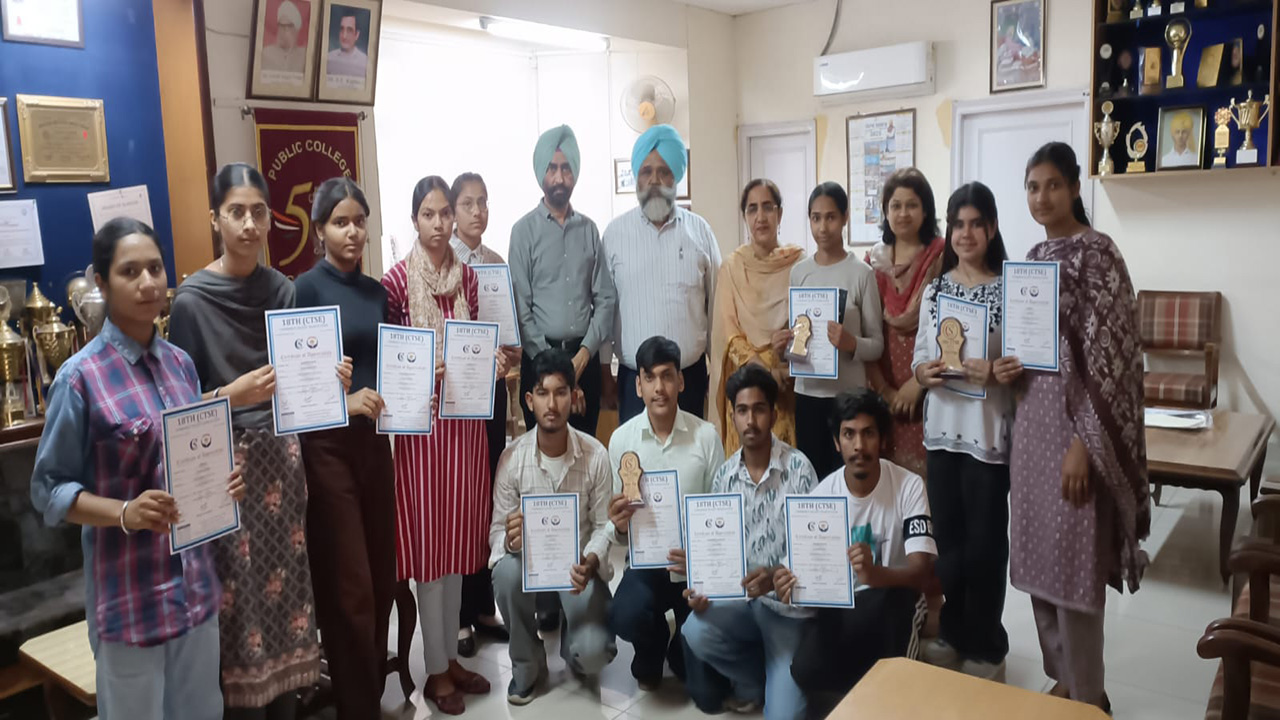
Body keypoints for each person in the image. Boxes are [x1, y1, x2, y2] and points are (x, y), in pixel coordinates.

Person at [30, 218, 245, 720]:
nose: (148, 282)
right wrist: (125, 512)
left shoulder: (180, 364)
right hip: (130, 600)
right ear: (101, 283)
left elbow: (191, 454)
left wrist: (223, 479)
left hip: (195, 591)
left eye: (155, 268)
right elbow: (48, 489)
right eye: (130, 272)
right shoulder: (79, 377)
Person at [169, 163, 345, 718]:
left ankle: (289, 706)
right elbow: (178, 410)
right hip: (227, 472)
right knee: (239, 606)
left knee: (289, 600)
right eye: (236, 212)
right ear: (215, 219)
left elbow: (300, 382)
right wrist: (232, 393)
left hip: (283, 464)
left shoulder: (282, 290)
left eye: (258, 212)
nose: (249, 224)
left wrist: (331, 379)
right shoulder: (191, 302)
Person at [997, 142, 1149, 711]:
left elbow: (1115, 359)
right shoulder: (1033, 256)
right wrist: (1008, 367)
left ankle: (1088, 698)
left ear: (1075, 187)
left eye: (1053, 185)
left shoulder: (1099, 255)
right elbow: (1030, 348)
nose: (1042, 197)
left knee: (1073, 565)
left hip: (1075, 433)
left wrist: (1085, 445)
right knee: (1038, 560)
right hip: (1032, 429)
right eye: (1032, 187)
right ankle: (1061, 677)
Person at [382, 175, 500, 715]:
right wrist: (420, 371)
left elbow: (476, 342)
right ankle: (433, 671)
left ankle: (450, 658)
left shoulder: (468, 279)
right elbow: (388, 362)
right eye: (428, 214)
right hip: (421, 436)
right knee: (430, 554)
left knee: (457, 552)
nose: (439, 223)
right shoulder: (395, 283)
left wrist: (489, 361)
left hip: (465, 431)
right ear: (414, 220)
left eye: (445, 213)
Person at [292, 178, 395, 719]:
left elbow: (388, 364)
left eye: (359, 221)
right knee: (350, 585)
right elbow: (295, 386)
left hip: (376, 446)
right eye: (340, 222)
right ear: (320, 230)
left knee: (381, 577)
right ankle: (358, 708)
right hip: (327, 449)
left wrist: (415, 384)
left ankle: (368, 693)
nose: (352, 231)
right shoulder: (304, 291)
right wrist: (346, 400)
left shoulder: (377, 292)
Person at [779, 389, 936, 719]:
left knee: (894, 626)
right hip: (845, 607)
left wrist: (876, 575)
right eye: (849, 434)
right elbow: (802, 579)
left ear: (882, 439)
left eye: (868, 434)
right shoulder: (822, 496)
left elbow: (920, 573)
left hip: (896, 598)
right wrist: (788, 585)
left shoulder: (909, 486)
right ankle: (861, 694)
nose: (859, 445)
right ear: (837, 442)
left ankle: (893, 692)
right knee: (804, 667)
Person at [910, 182, 1014, 681]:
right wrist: (923, 373)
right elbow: (919, 356)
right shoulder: (936, 291)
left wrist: (994, 371)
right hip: (942, 435)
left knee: (986, 546)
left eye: (976, 224)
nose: (966, 234)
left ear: (991, 229)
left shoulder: (1010, 289)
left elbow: (1024, 365)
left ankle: (987, 643)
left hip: (988, 436)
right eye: (958, 224)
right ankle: (953, 631)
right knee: (949, 543)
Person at [681, 365, 819, 720]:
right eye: (742, 411)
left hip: (788, 613)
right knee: (695, 630)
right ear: (733, 416)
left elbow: (814, 554)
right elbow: (716, 551)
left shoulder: (800, 469)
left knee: (784, 717)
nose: (750, 421)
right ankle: (756, 680)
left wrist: (775, 575)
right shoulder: (724, 476)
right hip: (741, 603)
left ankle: (779, 677)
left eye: (759, 409)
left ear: (773, 414)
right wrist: (702, 586)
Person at [490, 349, 617, 706]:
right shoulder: (512, 458)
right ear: (529, 400)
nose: (552, 403)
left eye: (561, 392)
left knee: (593, 656)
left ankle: (574, 643)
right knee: (506, 573)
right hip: (530, 570)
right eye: (543, 393)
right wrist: (511, 540)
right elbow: (497, 532)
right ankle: (528, 663)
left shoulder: (595, 454)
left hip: (577, 573)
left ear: (574, 397)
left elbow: (605, 527)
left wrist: (590, 561)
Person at [605, 335, 726, 697]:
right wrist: (619, 526)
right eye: (650, 377)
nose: (659, 388)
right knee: (624, 614)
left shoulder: (706, 437)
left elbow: (719, 512)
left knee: (701, 682)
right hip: (645, 567)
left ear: (681, 381)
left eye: (667, 376)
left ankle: (680, 647)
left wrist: (701, 560)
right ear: (638, 386)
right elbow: (619, 532)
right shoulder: (622, 440)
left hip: (693, 568)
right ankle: (653, 643)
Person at [601, 125, 721, 422]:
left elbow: (717, 310)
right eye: (646, 171)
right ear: (636, 177)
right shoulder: (615, 235)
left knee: (692, 451)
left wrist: (717, 372)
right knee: (635, 453)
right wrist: (604, 371)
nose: (654, 180)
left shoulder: (700, 232)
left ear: (676, 176)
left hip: (689, 380)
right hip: (634, 383)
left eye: (664, 171)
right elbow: (605, 309)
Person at [509, 124, 616, 439]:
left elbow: (605, 299)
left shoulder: (589, 230)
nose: (559, 178)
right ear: (541, 173)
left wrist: (583, 356)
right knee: (543, 456)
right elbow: (521, 309)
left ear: (575, 174)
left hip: (585, 361)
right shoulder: (523, 232)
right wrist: (557, 368)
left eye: (566, 168)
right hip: (538, 363)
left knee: (584, 453)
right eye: (552, 168)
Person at [449, 172, 515, 657]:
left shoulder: (495, 264)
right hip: (455, 400)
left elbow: (508, 337)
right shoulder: (443, 261)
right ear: (452, 213)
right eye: (468, 204)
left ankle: (483, 605)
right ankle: (457, 616)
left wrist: (508, 355)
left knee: (489, 494)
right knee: (461, 500)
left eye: (483, 202)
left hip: (492, 395)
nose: (478, 212)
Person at [777, 182, 884, 477]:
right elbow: (800, 335)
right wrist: (784, 348)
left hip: (848, 398)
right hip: (807, 395)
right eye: (815, 218)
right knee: (812, 477)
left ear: (845, 217)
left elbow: (877, 344)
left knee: (849, 479)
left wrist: (852, 344)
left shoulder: (862, 274)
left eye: (831, 217)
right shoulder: (799, 272)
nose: (822, 227)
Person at [709, 179, 804, 455]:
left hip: (785, 383)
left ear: (779, 214)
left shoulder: (798, 265)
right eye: (752, 209)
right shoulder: (731, 267)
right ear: (745, 217)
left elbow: (807, 328)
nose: (760, 217)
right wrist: (764, 371)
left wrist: (783, 367)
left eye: (767, 207)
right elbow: (730, 333)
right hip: (745, 383)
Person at [864, 167, 944, 478]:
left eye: (912, 205)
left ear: (926, 210)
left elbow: (950, 328)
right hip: (880, 386)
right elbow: (866, 329)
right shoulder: (873, 263)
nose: (903, 213)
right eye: (895, 205)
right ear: (885, 211)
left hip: (930, 385)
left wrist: (917, 383)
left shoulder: (942, 258)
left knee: (925, 489)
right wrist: (885, 390)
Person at [260, 1, 307, 75]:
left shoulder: (304, 55)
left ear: (296, 29)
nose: (284, 30)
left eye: (289, 26)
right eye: (281, 25)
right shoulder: (266, 53)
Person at [326, 12, 368, 78]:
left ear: (357, 35)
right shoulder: (329, 57)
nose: (344, 36)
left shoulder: (364, 62)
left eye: (349, 30)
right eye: (342, 29)